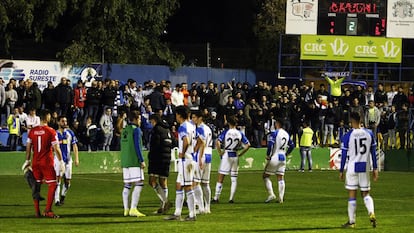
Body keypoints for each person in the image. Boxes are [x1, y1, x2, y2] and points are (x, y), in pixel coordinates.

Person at [22, 109, 65, 218]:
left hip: (36, 162)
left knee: (37, 185)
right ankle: (48, 210)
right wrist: (61, 161)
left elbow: (28, 147)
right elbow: (56, 147)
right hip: (46, 162)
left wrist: (27, 160)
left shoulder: (32, 131)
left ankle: (37, 212)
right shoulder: (51, 131)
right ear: (47, 117)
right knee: (53, 184)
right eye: (49, 116)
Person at [339, 112, 378, 228]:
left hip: (352, 167)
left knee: (352, 194)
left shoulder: (348, 135)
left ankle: (351, 222)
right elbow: (373, 153)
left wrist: (341, 170)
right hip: (364, 166)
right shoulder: (369, 133)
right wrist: (375, 168)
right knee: (366, 193)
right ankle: (371, 212)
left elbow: (344, 154)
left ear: (351, 121)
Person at [164, 105, 197, 221]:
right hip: (190, 158)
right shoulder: (192, 126)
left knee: (187, 186)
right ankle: (177, 213)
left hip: (185, 160)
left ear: (179, 115)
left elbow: (186, 141)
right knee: (179, 185)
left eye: (176, 115)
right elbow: (197, 141)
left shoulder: (183, 127)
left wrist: (182, 152)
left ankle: (192, 214)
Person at [212, 116, 250, 204]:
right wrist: (241, 153)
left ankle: (216, 197)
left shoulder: (226, 132)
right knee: (234, 178)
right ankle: (231, 198)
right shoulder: (240, 133)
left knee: (221, 177)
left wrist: (220, 152)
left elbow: (218, 142)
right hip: (235, 155)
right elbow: (248, 145)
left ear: (228, 123)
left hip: (227, 154)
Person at [121, 110, 146, 217]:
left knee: (127, 185)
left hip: (125, 161)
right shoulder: (136, 130)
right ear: (135, 119)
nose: (140, 121)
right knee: (139, 184)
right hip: (134, 160)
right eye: (139, 118)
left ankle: (126, 209)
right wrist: (141, 160)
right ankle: (133, 208)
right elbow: (137, 146)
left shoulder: (125, 130)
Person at [263, 118, 294, 204]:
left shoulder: (275, 133)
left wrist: (268, 155)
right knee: (280, 177)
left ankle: (271, 194)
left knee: (265, 176)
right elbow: (292, 145)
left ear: (277, 124)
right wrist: (287, 153)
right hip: (283, 157)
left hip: (275, 156)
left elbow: (270, 145)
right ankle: (281, 198)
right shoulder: (286, 134)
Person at [148, 114, 173, 214]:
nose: (151, 124)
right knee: (163, 182)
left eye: (151, 122)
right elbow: (173, 142)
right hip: (167, 158)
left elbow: (155, 144)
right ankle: (163, 207)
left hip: (158, 158)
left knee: (152, 181)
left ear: (154, 121)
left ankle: (165, 201)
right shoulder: (167, 130)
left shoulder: (156, 129)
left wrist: (151, 156)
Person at [54, 116, 80, 206]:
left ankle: (63, 196)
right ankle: (56, 200)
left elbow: (75, 146)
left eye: (65, 121)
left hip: (68, 160)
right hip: (58, 159)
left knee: (68, 181)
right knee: (58, 179)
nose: (65, 123)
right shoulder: (55, 134)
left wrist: (76, 158)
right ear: (58, 122)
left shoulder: (70, 133)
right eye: (62, 121)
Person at [192, 110, 213, 214]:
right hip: (209, 155)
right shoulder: (208, 128)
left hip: (202, 155)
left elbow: (202, 142)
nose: (193, 119)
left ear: (200, 118)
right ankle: (207, 207)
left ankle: (200, 207)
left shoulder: (200, 128)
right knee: (205, 183)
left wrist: (199, 157)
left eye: (194, 117)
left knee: (195, 182)